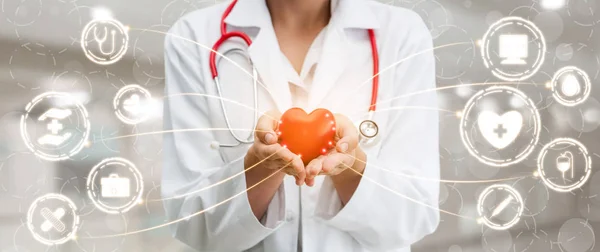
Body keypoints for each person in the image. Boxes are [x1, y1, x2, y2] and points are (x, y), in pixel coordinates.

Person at [162, 0, 440, 251]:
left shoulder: (403, 35)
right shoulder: (193, 37)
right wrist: (261, 168)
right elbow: (192, 224)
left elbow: (414, 217)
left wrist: (350, 168)